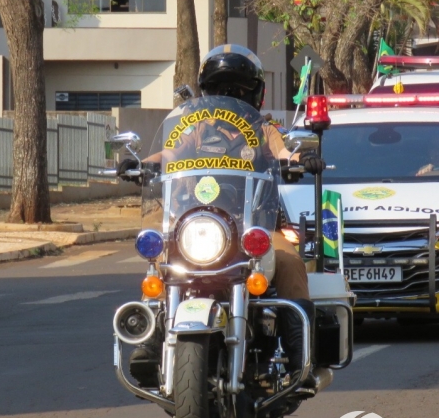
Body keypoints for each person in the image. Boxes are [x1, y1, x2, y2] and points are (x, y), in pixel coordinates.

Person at [118, 44, 325, 388]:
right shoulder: (195, 130)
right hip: (198, 223)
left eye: (238, 91)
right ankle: (151, 342)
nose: (229, 97)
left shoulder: (264, 130)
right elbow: (169, 152)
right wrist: (142, 164)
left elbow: (284, 153)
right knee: (160, 257)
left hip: (254, 223)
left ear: (253, 94)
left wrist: (299, 161)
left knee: (289, 261)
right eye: (220, 90)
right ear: (206, 93)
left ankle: (299, 356)